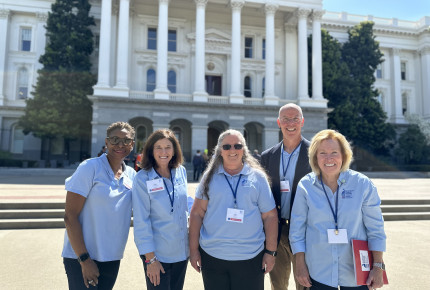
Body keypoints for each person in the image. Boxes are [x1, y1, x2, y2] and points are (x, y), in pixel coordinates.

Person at [289, 129, 387, 289]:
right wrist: (299, 264)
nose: (329, 158)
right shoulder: (305, 186)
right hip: (319, 272)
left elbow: (376, 228)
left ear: (344, 155)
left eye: (334, 152)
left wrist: (378, 266)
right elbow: (297, 230)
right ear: (315, 157)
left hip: (357, 274)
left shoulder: (362, 184)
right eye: (322, 153)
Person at [189, 129, 278, 290]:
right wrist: (193, 250)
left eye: (237, 146)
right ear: (219, 151)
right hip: (213, 257)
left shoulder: (258, 178)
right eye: (227, 146)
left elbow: (270, 216)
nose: (232, 150)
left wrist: (270, 252)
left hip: (251, 257)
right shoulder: (209, 177)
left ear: (244, 150)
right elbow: (196, 214)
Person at [62, 122, 136, 289]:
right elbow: (70, 216)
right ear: (106, 142)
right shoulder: (90, 167)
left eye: (126, 140)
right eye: (115, 140)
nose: (120, 145)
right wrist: (84, 259)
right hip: (82, 258)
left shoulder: (132, 175)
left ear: (132, 144)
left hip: (111, 257)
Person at [260, 103, 311, 290]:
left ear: (302, 121)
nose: (291, 123)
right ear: (278, 122)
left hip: (305, 230)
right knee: (277, 284)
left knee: (305, 283)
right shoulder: (267, 156)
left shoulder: (315, 153)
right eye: (286, 119)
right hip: (277, 231)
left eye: (295, 118)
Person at [132, 129, 189, 290]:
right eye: (158, 147)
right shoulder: (142, 178)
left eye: (168, 147)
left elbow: (185, 204)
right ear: (150, 150)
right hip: (157, 255)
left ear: (175, 149)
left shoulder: (181, 172)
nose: (163, 152)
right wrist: (150, 259)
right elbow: (141, 221)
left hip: (180, 252)